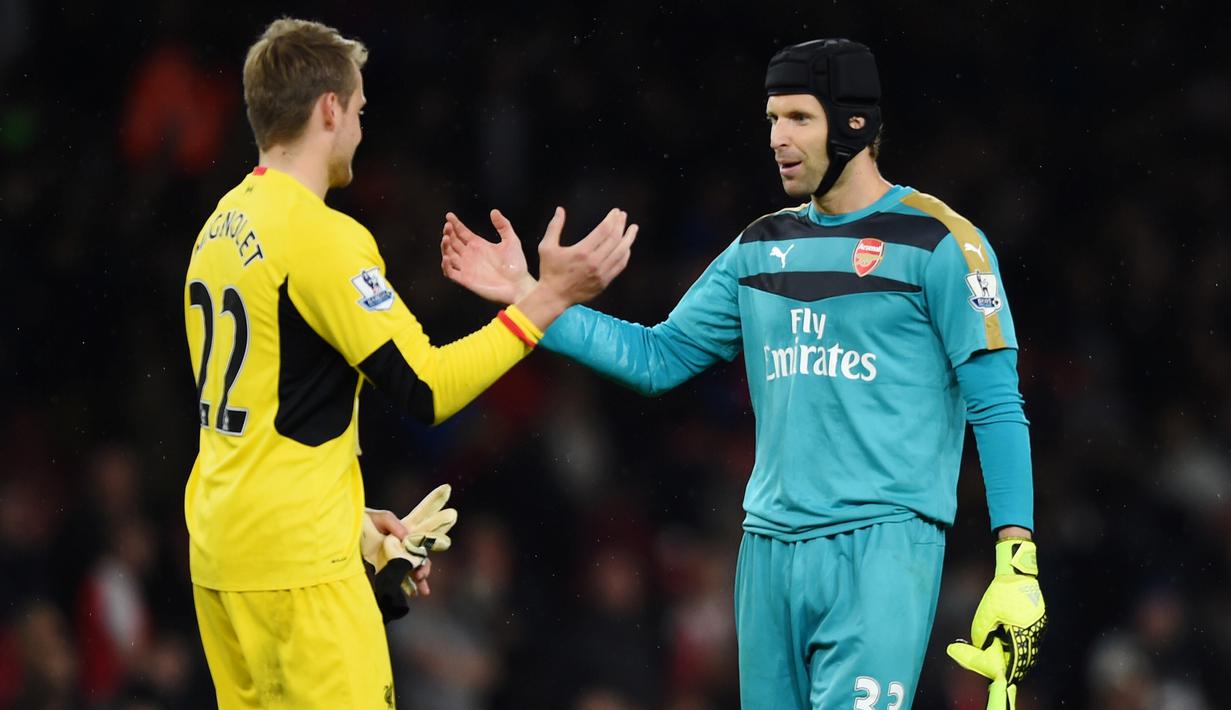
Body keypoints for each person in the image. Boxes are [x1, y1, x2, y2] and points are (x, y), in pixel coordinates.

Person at [441, 39, 1044, 710]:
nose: (777, 139)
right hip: (766, 551)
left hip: (880, 549)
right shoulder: (760, 246)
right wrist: (535, 297)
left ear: (854, 124)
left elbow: (995, 405)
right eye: (770, 120)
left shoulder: (940, 243)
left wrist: (1014, 560)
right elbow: (657, 357)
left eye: (797, 118)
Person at [183, 17, 636, 709]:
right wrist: (545, 302)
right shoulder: (323, 237)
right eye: (359, 109)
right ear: (329, 108)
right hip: (299, 575)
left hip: (222, 557)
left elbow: (270, 411)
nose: (362, 128)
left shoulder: (220, 224)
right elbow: (427, 388)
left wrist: (351, 521)